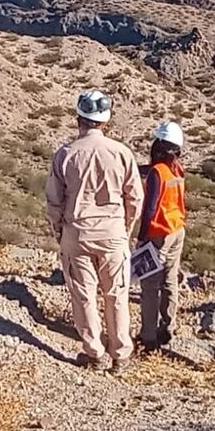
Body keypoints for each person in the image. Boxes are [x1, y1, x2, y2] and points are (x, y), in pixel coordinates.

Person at [46, 90, 143, 374]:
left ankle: (94, 353)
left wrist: (59, 232)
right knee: (117, 295)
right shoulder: (122, 153)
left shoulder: (65, 154)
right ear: (106, 122)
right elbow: (134, 198)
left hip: (76, 233)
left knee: (83, 295)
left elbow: (54, 201)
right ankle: (121, 355)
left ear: (79, 119)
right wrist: (125, 229)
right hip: (113, 233)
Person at [137, 122, 187, 352]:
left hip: (159, 233)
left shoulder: (157, 173)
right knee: (170, 281)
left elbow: (150, 208)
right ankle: (168, 327)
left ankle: (148, 337)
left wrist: (141, 237)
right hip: (177, 230)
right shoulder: (178, 169)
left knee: (149, 286)